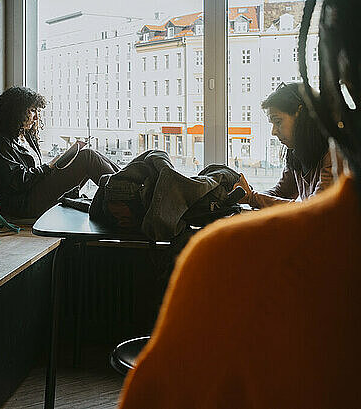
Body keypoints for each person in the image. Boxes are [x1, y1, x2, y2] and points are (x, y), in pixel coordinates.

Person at [120, 0, 360, 407]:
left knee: (204, 185)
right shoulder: (299, 158)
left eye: (278, 122)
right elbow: (289, 198)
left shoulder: (224, 260)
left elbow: (300, 208)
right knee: (216, 176)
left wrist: (253, 200)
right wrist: (253, 198)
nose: (273, 131)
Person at [0, 86, 120, 219]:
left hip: (34, 192)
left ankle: (128, 183)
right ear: (16, 112)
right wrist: (49, 167)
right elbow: (17, 181)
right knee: (87, 157)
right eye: (32, 111)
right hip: (23, 204)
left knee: (89, 154)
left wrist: (57, 163)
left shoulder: (25, 136)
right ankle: (125, 193)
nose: (36, 117)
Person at [233, 82, 341, 208]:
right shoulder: (296, 151)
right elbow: (282, 192)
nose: (273, 132)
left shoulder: (335, 152)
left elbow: (313, 208)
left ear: (300, 114)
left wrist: (253, 197)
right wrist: (249, 196)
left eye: (278, 122)